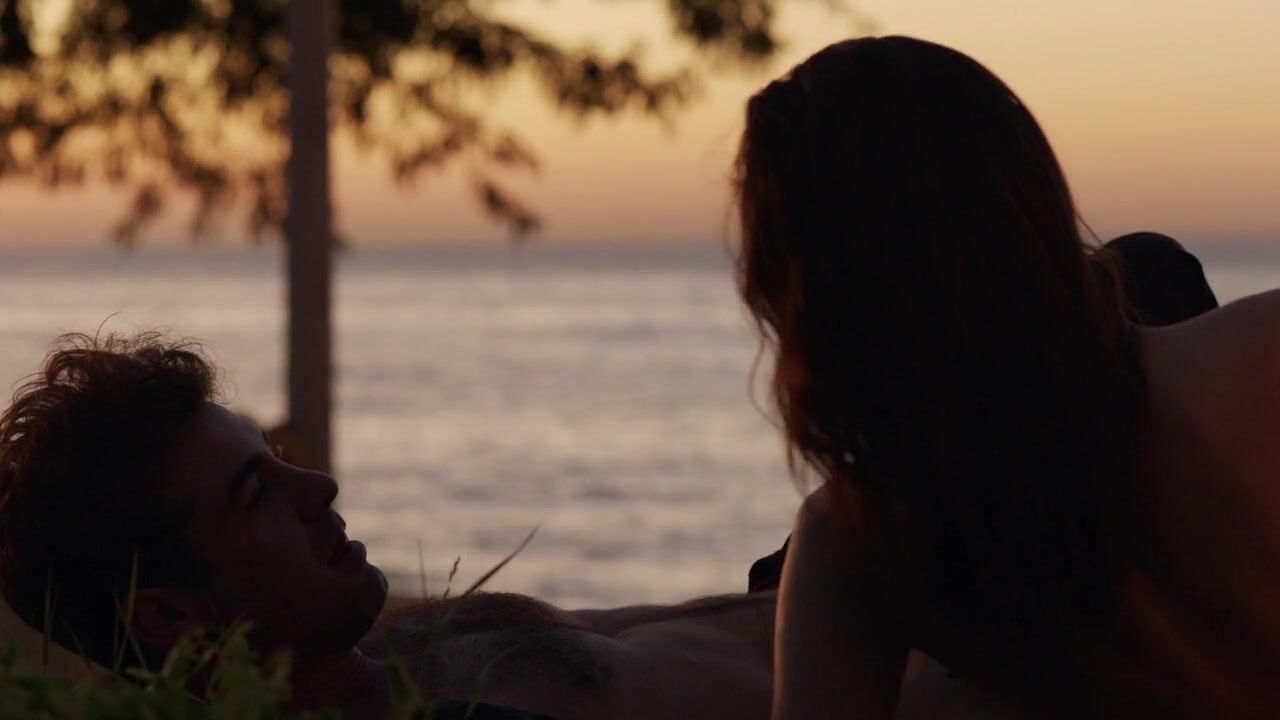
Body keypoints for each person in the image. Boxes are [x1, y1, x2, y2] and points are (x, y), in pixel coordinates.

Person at [734, 36, 1280, 719]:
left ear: (798, 296)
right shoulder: (1253, 355)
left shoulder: (855, 543)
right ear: (1032, 198)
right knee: (1149, 263)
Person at [0, 332, 775, 720]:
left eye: (276, 458)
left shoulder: (396, 647)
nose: (320, 488)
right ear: (169, 615)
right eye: (257, 493)